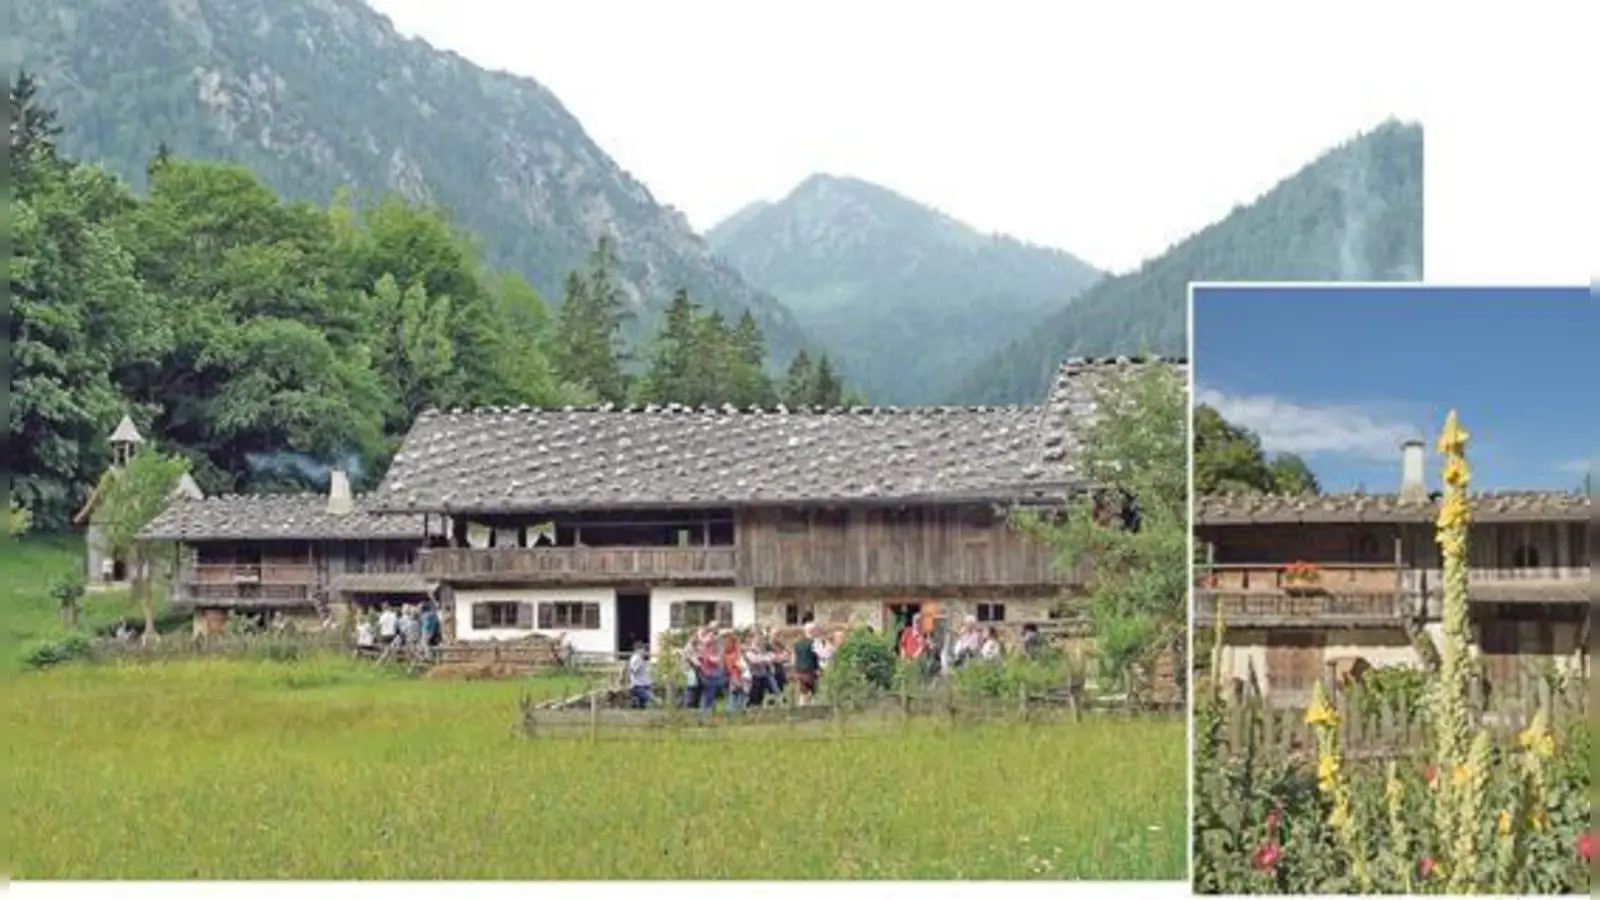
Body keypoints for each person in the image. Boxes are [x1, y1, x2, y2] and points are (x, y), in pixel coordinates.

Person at [697, 631, 729, 716]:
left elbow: (719, 660)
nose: (712, 638)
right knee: (707, 695)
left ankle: (708, 714)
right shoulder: (704, 647)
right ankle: (703, 715)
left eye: (713, 636)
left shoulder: (715, 646)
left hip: (715, 674)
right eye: (710, 636)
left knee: (711, 695)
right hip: (707, 674)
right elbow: (713, 660)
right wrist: (719, 656)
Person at [791, 623, 822, 706]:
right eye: (817, 630)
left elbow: (793, 659)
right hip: (811, 671)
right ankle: (814, 712)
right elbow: (820, 656)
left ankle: (800, 712)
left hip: (799, 672)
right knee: (814, 694)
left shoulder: (797, 643)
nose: (818, 632)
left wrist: (795, 671)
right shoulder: (814, 643)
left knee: (803, 694)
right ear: (812, 631)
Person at [725, 631, 750, 713]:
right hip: (735, 676)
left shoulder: (734, 652)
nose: (737, 645)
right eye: (735, 643)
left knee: (738, 693)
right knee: (735, 693)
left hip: (739, 675)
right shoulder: (730, 654)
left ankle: (736, 711)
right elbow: (732, 668)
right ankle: (732, 712)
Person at [626, 641, 656, 708]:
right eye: (643, 649)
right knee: (654, 701)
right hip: (639, 685)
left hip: (643, 684)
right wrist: (631, 682)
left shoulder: (639, 658)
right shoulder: (637, 659)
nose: (645, 651)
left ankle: (638, 704)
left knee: (644, 704)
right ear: (639, 649)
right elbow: (633, 671)